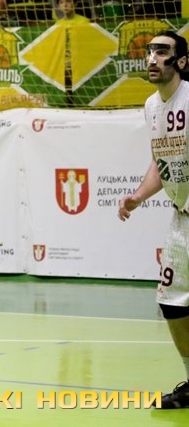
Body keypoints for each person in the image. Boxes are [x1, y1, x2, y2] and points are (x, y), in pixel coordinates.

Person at [118, 30, 189, 410]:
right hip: (181, 220)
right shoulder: (151, 106)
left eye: (162, 51)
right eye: (149, 51)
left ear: (181, 62)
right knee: (172, 302)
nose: (152, 58)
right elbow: (161, 161)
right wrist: (138, 196)